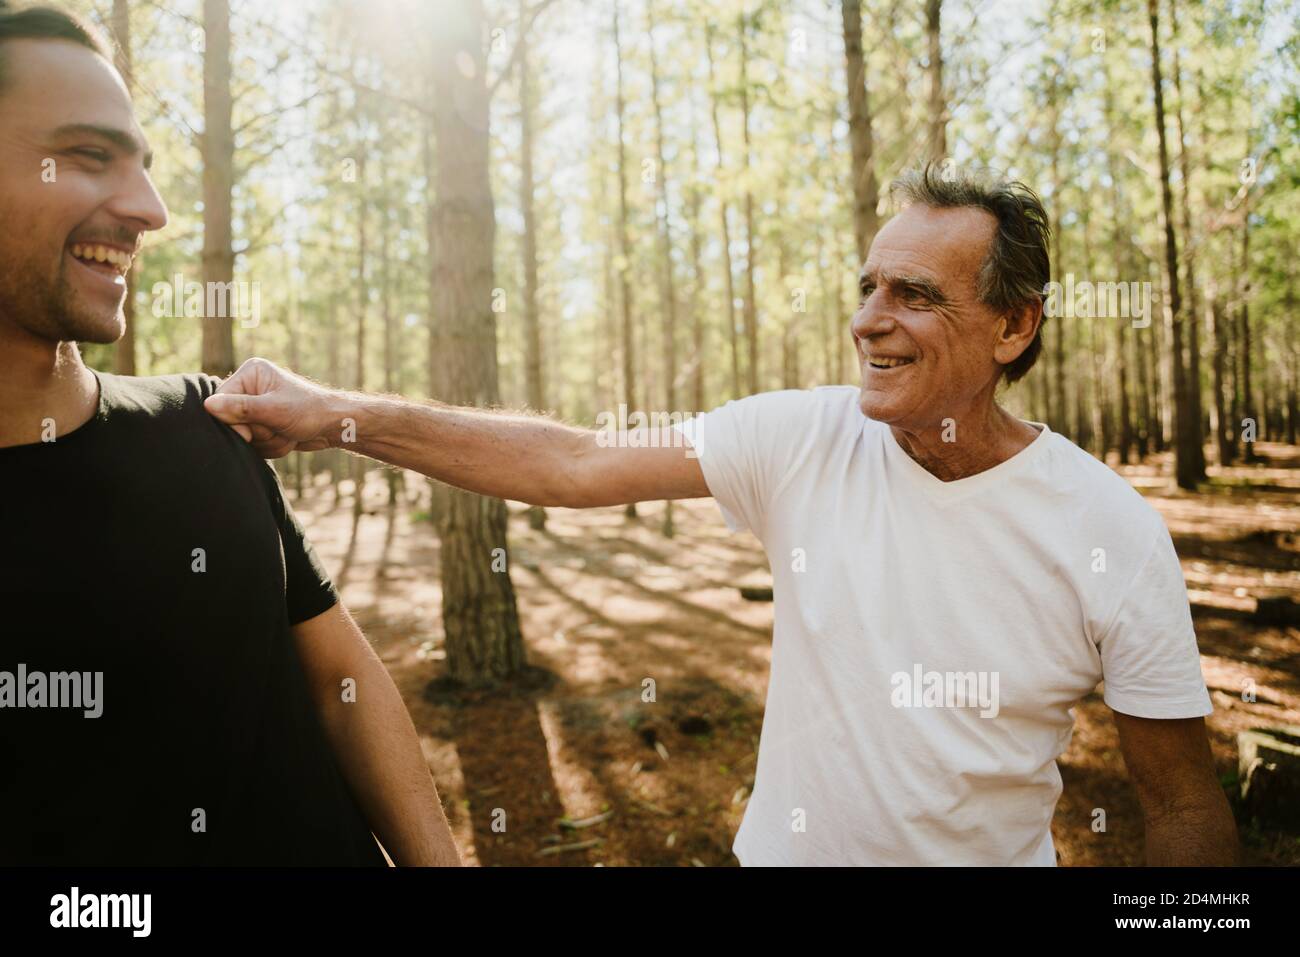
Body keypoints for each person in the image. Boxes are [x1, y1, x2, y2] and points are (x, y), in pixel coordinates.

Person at [207, 161, 1240, 866]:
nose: (868, 319)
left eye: (914, 295)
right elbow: (570, 461)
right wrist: (331, 415)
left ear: (1013, 327)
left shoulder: (1105, 528)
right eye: (868, 285)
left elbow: (1184, 804)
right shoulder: (801, 439)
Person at [0, 3, 460, 866]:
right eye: (91, 157)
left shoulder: (204, 423)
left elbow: (341, 686)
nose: (151, 209)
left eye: (144, 165)